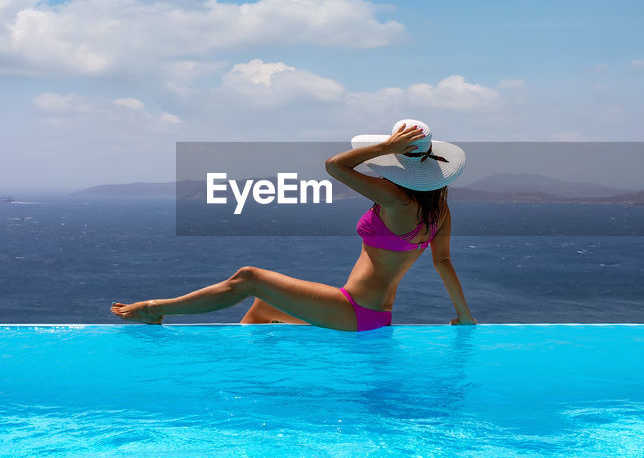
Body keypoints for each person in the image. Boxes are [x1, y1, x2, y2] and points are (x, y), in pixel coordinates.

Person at [111, 119, 477, 331]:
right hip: (374, 315)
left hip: (353, 308)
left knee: (248, 277)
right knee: (261, 310)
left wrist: (385, 146)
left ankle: (156, 309)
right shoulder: (438, 209)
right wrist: (464, 316)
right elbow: (443, 262)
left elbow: (335, 165)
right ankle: (252, 376)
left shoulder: (394, 198)